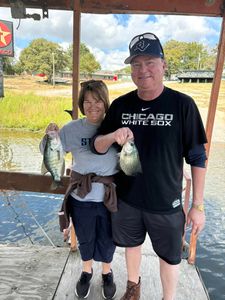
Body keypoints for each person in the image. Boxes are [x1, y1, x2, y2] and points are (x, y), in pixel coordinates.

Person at [92, 33, 207, 300]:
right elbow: (97, 145)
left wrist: (197, 205)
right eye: (136, 64)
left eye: (150, 62)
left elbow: (197, 157)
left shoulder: (183, 105)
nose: (143, 70)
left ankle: (168, 297)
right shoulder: (121, 105)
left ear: (164, 64)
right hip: (128, 199)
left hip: (167, 203)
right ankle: (134, 289)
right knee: (131, 246)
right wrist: (112, 136)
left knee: (169, 257)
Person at [42, 80, 118, 299]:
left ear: (105, 102)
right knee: (85, 237)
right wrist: (49, 136)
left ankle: (107, 272)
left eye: (97, 101)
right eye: (87, 102)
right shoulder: (71, 129)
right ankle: (86, 271)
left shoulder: (114, 127)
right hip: (81, 197)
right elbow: (49, 153)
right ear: (81, 104)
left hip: (107, 196)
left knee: (107, 237)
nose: (92, 106)